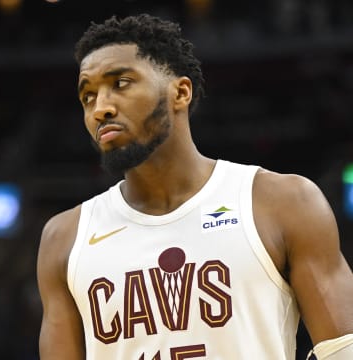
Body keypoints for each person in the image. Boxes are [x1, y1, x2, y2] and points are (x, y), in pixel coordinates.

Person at [37, 13, 353, 360]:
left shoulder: (282, 202)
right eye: (88, 96)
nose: (101, 108)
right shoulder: (64, 238)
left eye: (121, 83)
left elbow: (344, 349)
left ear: (181, 92)